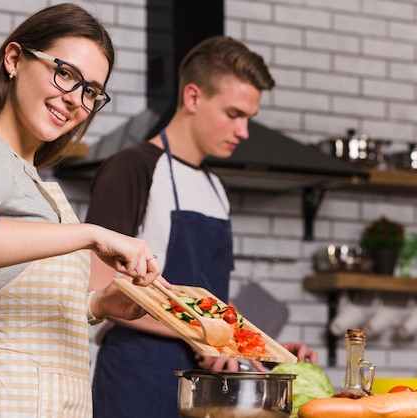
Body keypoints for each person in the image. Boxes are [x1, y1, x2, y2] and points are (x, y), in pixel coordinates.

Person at [0, 4, 166, 417]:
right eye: (64, 73)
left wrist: (97, 304)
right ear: (14, 60)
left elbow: (11, 299)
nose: (75, 100)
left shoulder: (30, 175)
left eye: (90, 91)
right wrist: (92, 233)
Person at [86, 35, 318, 418]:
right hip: (138, 377)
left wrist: (267, 350)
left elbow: (212, 305)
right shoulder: (132, 168)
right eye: (233, 114)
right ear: (193, 97)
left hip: (208, 388)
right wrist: (206, 339)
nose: (243, 131)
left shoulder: (215, 189)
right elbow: (98, 286)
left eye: (248, 118)